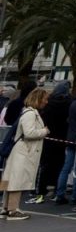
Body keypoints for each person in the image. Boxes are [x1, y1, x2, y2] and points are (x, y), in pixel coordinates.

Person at [1, 87, 49, 220]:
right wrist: (44, 131)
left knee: (9, 179)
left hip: (20, 150)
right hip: (23, 151)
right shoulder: (30, 114)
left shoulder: (27, 112)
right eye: (45, 99)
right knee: (17, 180)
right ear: (38, 99)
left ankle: (6, 208)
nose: (46, 102)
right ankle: (13, 209)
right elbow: (29, 133)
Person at [35, 82, 71, 203]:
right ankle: (57, 189)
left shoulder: (48, 104)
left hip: (47, 136)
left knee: (45, 164)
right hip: (61, 137)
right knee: (59, 164)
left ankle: (40, 189)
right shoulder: (68, 104)